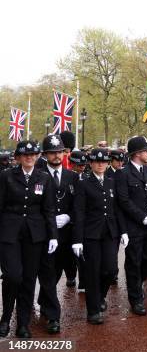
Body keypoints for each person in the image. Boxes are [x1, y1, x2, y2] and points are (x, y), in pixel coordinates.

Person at [0, 140, 58, 338]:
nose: (29, 158)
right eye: (25, 155)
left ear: (37, 157)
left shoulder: (44, 177)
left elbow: (49, 209)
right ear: (18, 157)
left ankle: (23, 323)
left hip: (35, 235)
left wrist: (53, 236)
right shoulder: (6, 176)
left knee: (28, 279)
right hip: (9, 233)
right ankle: (5, 317)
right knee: (12, 276)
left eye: (33, 155)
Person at [71, 148, 127, 324]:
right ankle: (93, 310)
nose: (101, 164)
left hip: (110, 232)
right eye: (97, 161)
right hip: (91, 234)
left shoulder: (111, 182)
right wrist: (77, 240)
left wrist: (123, 230)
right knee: (92, 272)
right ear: (91, 163)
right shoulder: (84, 183)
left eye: (104, 161)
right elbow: (79, 213)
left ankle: (100, 296)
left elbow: (117, 209)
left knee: (110, 270)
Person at [115, 136, 147, 315]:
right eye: (146, 151)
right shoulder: (123, 173)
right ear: (137, 153)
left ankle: (145, 285)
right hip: (135, 226)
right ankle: (136, 299)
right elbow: (124, 201)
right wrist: (143, 217)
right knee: (134, 262)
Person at [37, 134, 80, 335]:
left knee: (60, 270)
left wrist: (69, 217)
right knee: (48, 273)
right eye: (52, 152)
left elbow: (79, 207)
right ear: (45, 155)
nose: (56, 155)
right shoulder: (37, 174)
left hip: (67, 233)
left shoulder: (73, 177)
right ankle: (52, 316)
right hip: (45, 233)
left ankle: (44, 300)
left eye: (60, 151)